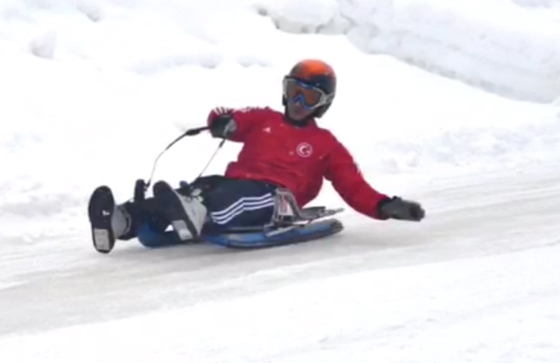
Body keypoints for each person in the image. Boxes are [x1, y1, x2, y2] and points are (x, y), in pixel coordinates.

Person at [88, 59, 425, 253]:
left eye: (308, 97)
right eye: (294, 92)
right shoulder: (264, 118)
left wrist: (385, 206)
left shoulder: (326, 145)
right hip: (231, 183)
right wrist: (223, 123)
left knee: (231, 201)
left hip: (275, 197)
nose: (297, 102)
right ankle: (127, 219)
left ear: (322, 104)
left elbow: (353, 186)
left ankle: (195, 212)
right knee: (200, 189)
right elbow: (229, 118)